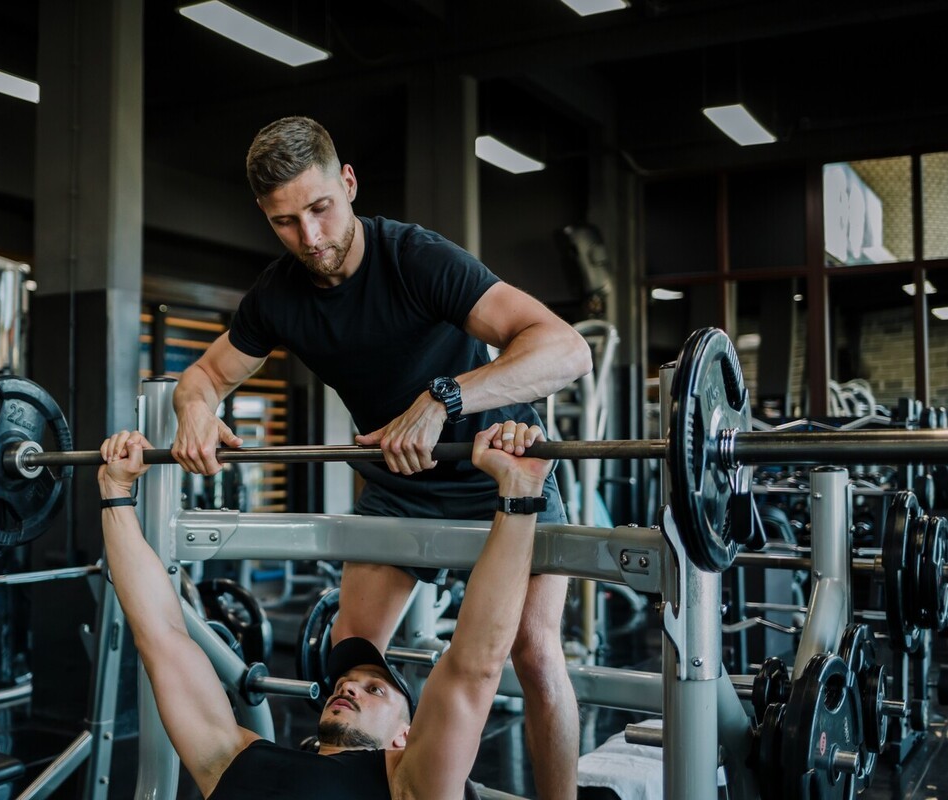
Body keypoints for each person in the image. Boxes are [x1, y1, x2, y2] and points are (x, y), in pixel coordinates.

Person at [171, 116, 592, 798]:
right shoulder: (277, 294)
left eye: (320, 209)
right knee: (351, 658)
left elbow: (566, 349)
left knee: (535, 657)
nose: (310, 238)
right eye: (284, 222)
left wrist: (445, 398)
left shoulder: (414, 258)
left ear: (347, 183)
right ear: (263, 215)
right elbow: (205, 377)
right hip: (399, 485)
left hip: (504, 471)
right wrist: (195, 409)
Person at [102, 422, 554, 799]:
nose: (350, 688)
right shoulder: (231, 758)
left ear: (405, 735)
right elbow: (160, 636)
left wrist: (519, 494)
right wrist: (115, 492)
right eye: (345, 682)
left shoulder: (411, 784)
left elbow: (475, 664)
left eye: (374, 690)